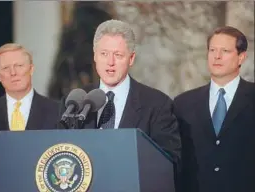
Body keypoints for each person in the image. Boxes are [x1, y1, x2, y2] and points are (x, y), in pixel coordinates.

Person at [59, 19, 181, 165]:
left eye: (118, 55)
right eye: (104, 53)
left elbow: (169, 162)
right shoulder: (74, 102)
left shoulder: (157, 105)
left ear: (131, 59)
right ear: (95, 56)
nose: (110, 62)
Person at [174, 26, 255, 192]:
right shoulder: (183, 103)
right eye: (212, 50)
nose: (217, 56)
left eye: (225, 51)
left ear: (241, 57)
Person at [0, 43, 60, 191]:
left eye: (19, 65)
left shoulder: (58, 111)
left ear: (31, 69)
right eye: (5, 68)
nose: (13, 73)